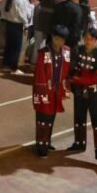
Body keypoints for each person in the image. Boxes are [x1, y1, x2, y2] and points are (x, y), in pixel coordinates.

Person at [67, 28, 97, 163]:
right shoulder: (77, 51)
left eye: (91, 39)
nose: (87, 41)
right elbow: (72, 69)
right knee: (79, 117)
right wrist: (77, 80)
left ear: (96, 40)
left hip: (94, 93)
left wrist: (79, 78)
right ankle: (79, 142)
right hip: (79, 92)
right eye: (85, 38)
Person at [33, 26, 71, 158]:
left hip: (57, 90)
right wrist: (43, 91)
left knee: (51, 117)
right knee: (43, 117)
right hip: (45, 90)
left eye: (62, 40)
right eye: (56, 39)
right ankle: (41, 146)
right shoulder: (44, 53)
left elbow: (67, 71)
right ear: (52, 37)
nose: (59, 42)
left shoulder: (66, 52)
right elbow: (40, 73)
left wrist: (65, 89)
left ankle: (47, 141)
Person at [1, 0, 33, 74]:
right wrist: (26, 24)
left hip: (9, 24)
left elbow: (2, 10)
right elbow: (22, 14)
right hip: (17, 25)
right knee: (16, 47)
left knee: (9, 45)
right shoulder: (21, 0)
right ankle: (13, 67)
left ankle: (6, 64)